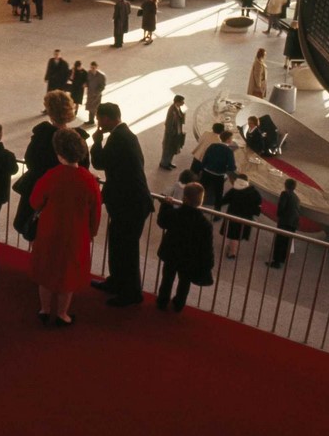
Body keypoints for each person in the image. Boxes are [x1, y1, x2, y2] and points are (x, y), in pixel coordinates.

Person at [28, 128, 103, 326]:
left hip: (49, 230)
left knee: (46, 271)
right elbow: (96, 211)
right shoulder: (88, 180)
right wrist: (92, 231)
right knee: (67, 275)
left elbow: (35, 201)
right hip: (76, 234)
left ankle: (44, 310)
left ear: (59, 153)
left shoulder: (52, 175)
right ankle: (62, 314)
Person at [90, 102, 153, 307]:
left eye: (99, 119)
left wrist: (96, 142)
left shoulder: (118, 138)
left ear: (107, 118)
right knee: (118, 244)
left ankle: (131, 292)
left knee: (126, 249)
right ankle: (117, 281)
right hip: (131, 202)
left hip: (130, 204)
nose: (98, 123)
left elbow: (99, 163)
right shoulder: (127, 135)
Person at [155, 182, 214, 312]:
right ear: (200, 201)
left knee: (167, 278)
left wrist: (165, 205)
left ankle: (162, 301)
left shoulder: (175, 214)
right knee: (184, 282)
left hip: (171, 253)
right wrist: (209, 263)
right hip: (189, 258)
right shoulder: (204, 224)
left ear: (184, 197)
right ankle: (179, 303)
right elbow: (207, 247)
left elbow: (162, 221)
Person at [220, 173, 263, 258]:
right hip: (246, 218)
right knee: (238, 235)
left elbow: (224, 200)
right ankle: (232, 248)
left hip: (233, 216)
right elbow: (258, 206)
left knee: (233, 235)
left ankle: (232, 253)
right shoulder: (254, 192)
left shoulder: (234, 191)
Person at [199, 130, 238, 212]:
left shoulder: (212, 146)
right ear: (228, 140)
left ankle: (197, 205)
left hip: (207, 172)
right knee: (218, 195)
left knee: (201, 189)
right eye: (231, 138)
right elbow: (231, 167)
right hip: (218, 175)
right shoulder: (229, 151)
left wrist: (203, 168)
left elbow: (205, 158)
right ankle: (217, 212)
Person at [268, 178, 301, 268]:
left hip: (285, 221)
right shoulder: (296, 197)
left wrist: (279, 215)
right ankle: (282, 259)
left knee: (280, 241)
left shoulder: (285, 194)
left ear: (285, 185)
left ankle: (276, 262)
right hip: (293, 222)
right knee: (287, 241)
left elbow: (281, 206)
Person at [159, 95, 186, 170]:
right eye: (182, 101)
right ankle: (164, 164)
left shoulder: (177, 107)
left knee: (172, 149)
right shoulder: (172, 111)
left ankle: (168, 162)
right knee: (168, 149)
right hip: (171, 135)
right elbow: (168, 124)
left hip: (176, 133)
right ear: (178, 102)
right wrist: (172, 133)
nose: (183, 103)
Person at [84, 62, 105, 126]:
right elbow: (87, 81)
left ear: (96, 67)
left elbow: (102, 86)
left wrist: (96, 93)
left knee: (96, 108)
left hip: (96, 95)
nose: (92, 69)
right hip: (90, 94)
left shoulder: (101, 76)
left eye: (93, 68)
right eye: (91, 67)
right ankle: (91, 120)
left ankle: (101, 120)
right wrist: (85, 85)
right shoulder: (88, 73)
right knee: (90, 108)